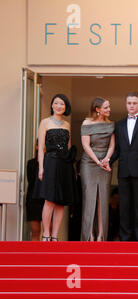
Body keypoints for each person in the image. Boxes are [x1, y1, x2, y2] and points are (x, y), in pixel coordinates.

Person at [33, 93, 77, 241]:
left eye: (62, 104)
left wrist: (73, 167)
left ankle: (55, 236)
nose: (59, 106)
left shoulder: (67, 125)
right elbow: (41, 148)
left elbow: (69, 147)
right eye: (56, 103)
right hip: (50, 162)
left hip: (65, 165)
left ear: (66, 107)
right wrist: (41, 168)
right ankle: (45, 234)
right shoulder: (44, 122)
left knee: (61, 203)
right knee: (50, 200)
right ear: (52, 105)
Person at [110, 92, 138, 241]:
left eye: (134, 103)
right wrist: (107, 161)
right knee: (124, 207)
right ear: (126, 104)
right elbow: (117, 149)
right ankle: (125, 238)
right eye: (129, 103)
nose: (132, 106)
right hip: (123, 171)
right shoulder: (119, 124)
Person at [80, 97, 115, 241]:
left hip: (104, 163)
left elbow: (112, 145)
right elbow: (86, 145)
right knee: (90, 198)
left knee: (103, 198)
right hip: (89, 163)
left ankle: (101, 235)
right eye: (106, 107)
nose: (109, 110)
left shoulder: (111, 125)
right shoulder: (87, 123)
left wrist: (106, 160)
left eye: (109, 107)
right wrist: (97, 161)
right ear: (97, 109)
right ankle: (89, 235)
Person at [25, 140, 44, 241]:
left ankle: (49, 256)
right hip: (33, 199)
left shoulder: (52, 163)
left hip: (47, 199)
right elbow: (31, 180)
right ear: (36, 147)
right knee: (35, 231)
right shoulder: (31, 163)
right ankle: (35, 256)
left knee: (48, 232)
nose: (43, 147)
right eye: (41, 144)